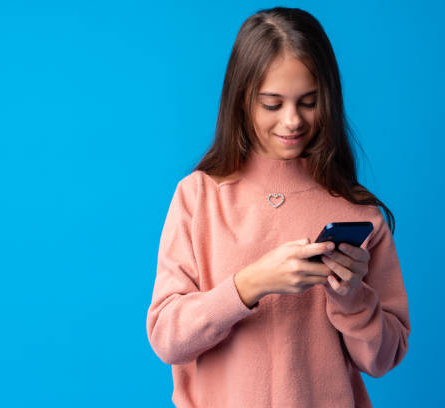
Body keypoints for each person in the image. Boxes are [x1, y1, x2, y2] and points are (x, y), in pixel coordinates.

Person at [146, 6, 410, 408]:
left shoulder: (359, 213)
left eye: (309, 102)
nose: (292, 121)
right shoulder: (199, 197)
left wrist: (351, 296)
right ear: (241, 102)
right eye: (272, 104)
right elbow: (167, 338)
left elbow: (383, 358)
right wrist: (250, 285)